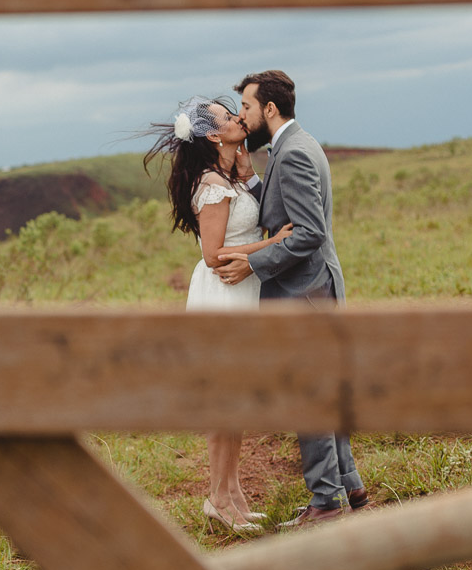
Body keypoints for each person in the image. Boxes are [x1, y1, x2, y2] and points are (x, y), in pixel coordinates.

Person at [215, 70, 367, 529]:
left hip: (305, 292)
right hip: (313, 288)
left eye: (245, 106)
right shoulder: (295, 146)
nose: (242, 115)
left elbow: (309, 232)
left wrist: (253, 264)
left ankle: (325, 504)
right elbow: (284, 213)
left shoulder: (295, 153)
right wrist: (253, 181)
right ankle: (349, 486)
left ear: (269, 109)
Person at [144, 96, 293, 534]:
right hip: (224, 290)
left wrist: (248, 174)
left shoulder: (229, 174)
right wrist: (271, 245)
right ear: (213, 134)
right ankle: (217, 497)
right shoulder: (211, 182)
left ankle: (233, 494)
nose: (237, 118)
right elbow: (212, 255)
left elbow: (253, 215)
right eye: (229, 117)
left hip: (244, 287)